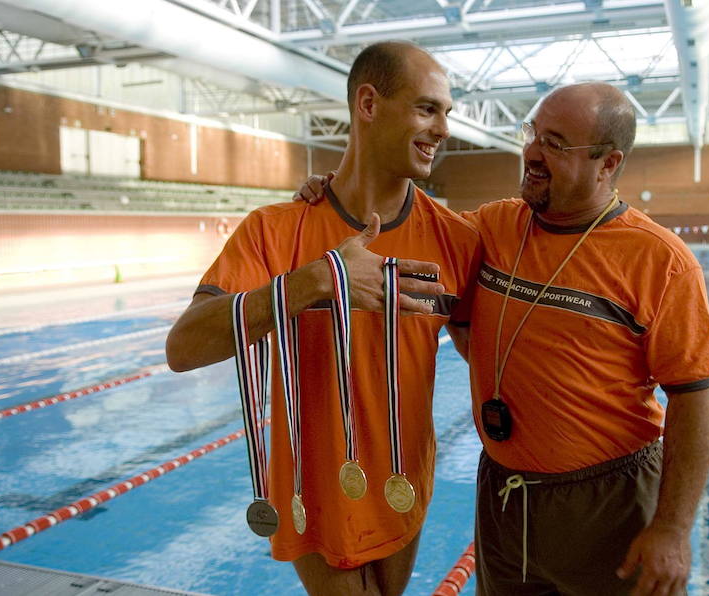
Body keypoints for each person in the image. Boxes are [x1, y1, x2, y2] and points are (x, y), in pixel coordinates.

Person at [298, 82, 709, 596]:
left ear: (608, 164)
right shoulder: (494, 227)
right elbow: (404, 234)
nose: (533, 154)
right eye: (533, 133)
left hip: (609, 500)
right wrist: (339, 192)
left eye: (556, 144)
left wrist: (673, 529)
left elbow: (695, 399)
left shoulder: (661, 261)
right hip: (504, 493)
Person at [166, 41, 479, 596]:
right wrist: (315, 281)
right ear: (368, 103)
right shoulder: (275, 229)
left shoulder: (454, 239)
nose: (444, 128)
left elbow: (488, 351)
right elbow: (184, 348)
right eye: (427, 108)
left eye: (446, 113)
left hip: (404, 481)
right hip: (310, 492)